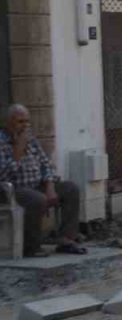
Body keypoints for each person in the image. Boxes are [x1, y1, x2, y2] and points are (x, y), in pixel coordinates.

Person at [0, 104, 83, 256]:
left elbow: (46, 165)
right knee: (37, 199)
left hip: (36, 185)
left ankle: (66, 239)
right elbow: (4, 175)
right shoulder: (3, 142)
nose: (25, 126)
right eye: (20, 122)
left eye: (27, 122)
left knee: (71, 188)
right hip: (12, 190)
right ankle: (31, 247)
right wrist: (18, 149)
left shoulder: (31, 139)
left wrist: (50, 188)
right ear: (7, 123)